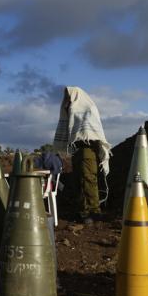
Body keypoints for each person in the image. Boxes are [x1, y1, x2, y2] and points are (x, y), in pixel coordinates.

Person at [53, 86, 112, 224]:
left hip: (88, 149)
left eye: (69, 96)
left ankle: (94, 211)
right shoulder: (74, 108)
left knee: (88, 179)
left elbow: (90, 131)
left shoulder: (87, 108)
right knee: (79, 180)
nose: (67, 101)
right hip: (78, 150)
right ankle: (84, 210)